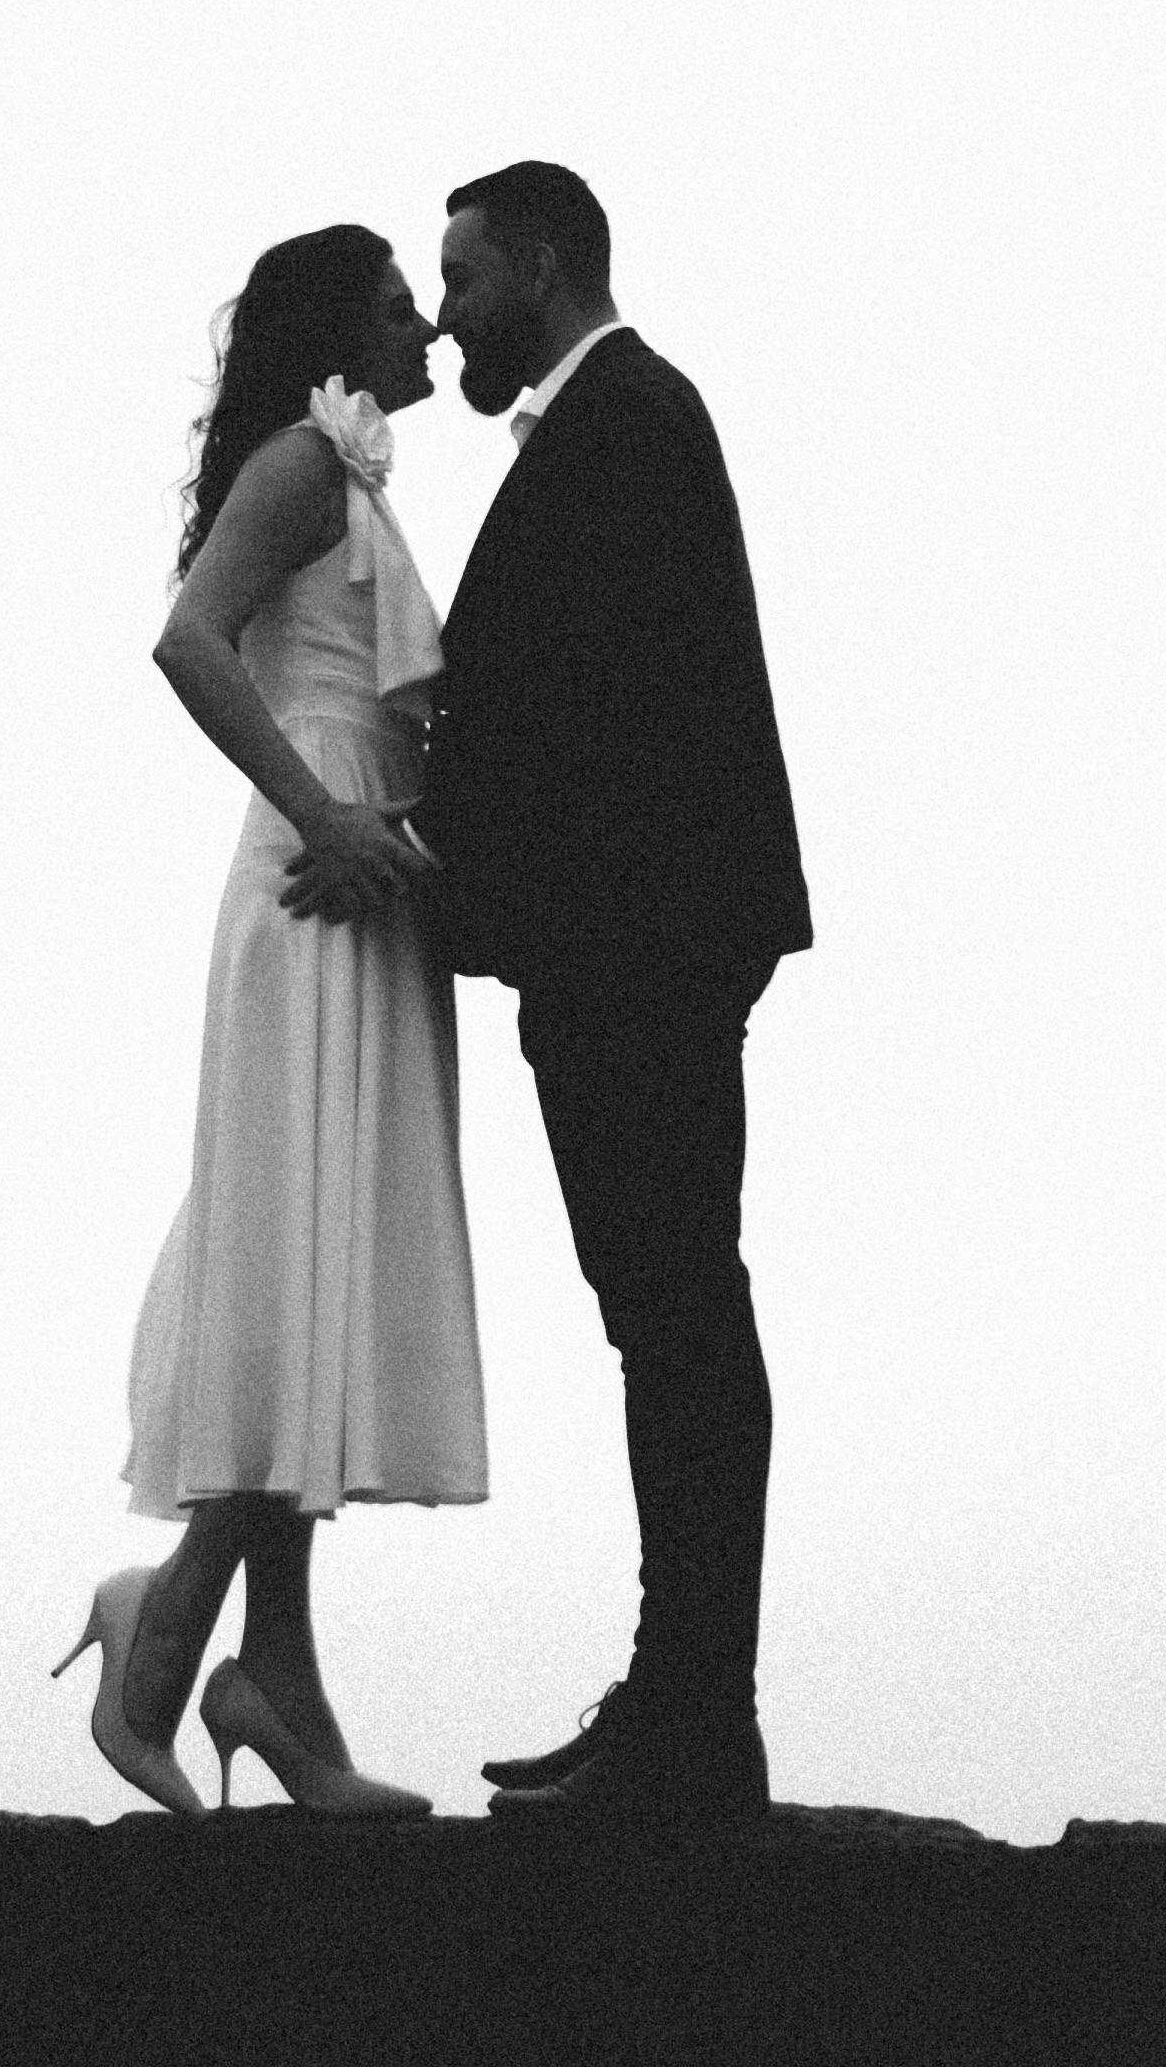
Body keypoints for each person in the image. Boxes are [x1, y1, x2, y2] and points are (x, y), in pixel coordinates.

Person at [382, 161, 810, 1828]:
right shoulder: (622, 421)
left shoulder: (626, 420)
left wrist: (436, 851)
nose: (444, 314)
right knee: (670, 1317)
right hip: (632, 946)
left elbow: (603, 715)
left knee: (679, 1315)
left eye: (465, 277)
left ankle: (696, 1717)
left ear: (542, 266)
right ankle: (683, 1703)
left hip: (641, 952)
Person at [54, 223, 485, 1817]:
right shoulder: (310, 459)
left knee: (319, 1268)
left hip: (370, 876)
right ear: (333, 330)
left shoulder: (357, 481)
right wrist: (325, 813)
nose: (424, 318)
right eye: (396, 300)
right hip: (315, 880)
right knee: (290, 1248)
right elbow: (188, 639)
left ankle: (279, 1693)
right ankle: (167, 1633)